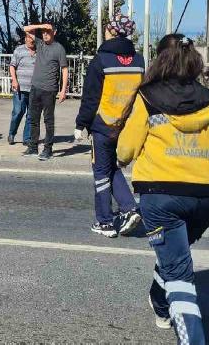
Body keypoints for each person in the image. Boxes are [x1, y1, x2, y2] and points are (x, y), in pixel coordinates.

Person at [117, 34, 209, 342]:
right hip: (205, 196)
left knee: (179, 276)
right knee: (175, 254)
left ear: (160, 59)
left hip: (161, 195)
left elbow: (125, 151)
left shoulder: (147, 97)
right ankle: (160, 305)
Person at [75, 14, 144, 238]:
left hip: (102, 125)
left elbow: (91, 98)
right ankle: (129, 208)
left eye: (106, 28)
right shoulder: (139, 61)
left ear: (112, 32)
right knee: (112, 167)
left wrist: (80, 124)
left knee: (101, 172)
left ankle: (104, 222)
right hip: (124, 124)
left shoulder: (101, 60)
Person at [21, 22, 68, 160]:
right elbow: (26, 29)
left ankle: (48, 149)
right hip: (35, 88)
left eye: (48, 31)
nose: (45, 34)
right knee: (33, 119)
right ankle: (33, 147)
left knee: (48, 121)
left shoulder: (59, 49)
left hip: (49, 90)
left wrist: (63, 90)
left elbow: (64, 69)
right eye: (43, 32)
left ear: (55, 32)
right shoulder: (40, 44)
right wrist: (43, 25)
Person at [8, 32, 37, 145]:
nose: (31, 40)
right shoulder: (19, 50)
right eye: (29, 38)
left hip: (34, 89)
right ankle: (12, 133)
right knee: (18, 112)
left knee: (31, 114)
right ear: (25, 39)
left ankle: (27, 138)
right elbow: (12, 66)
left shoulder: (39, 51)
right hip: (20, 87)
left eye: (33, 38)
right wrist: (14, 80)